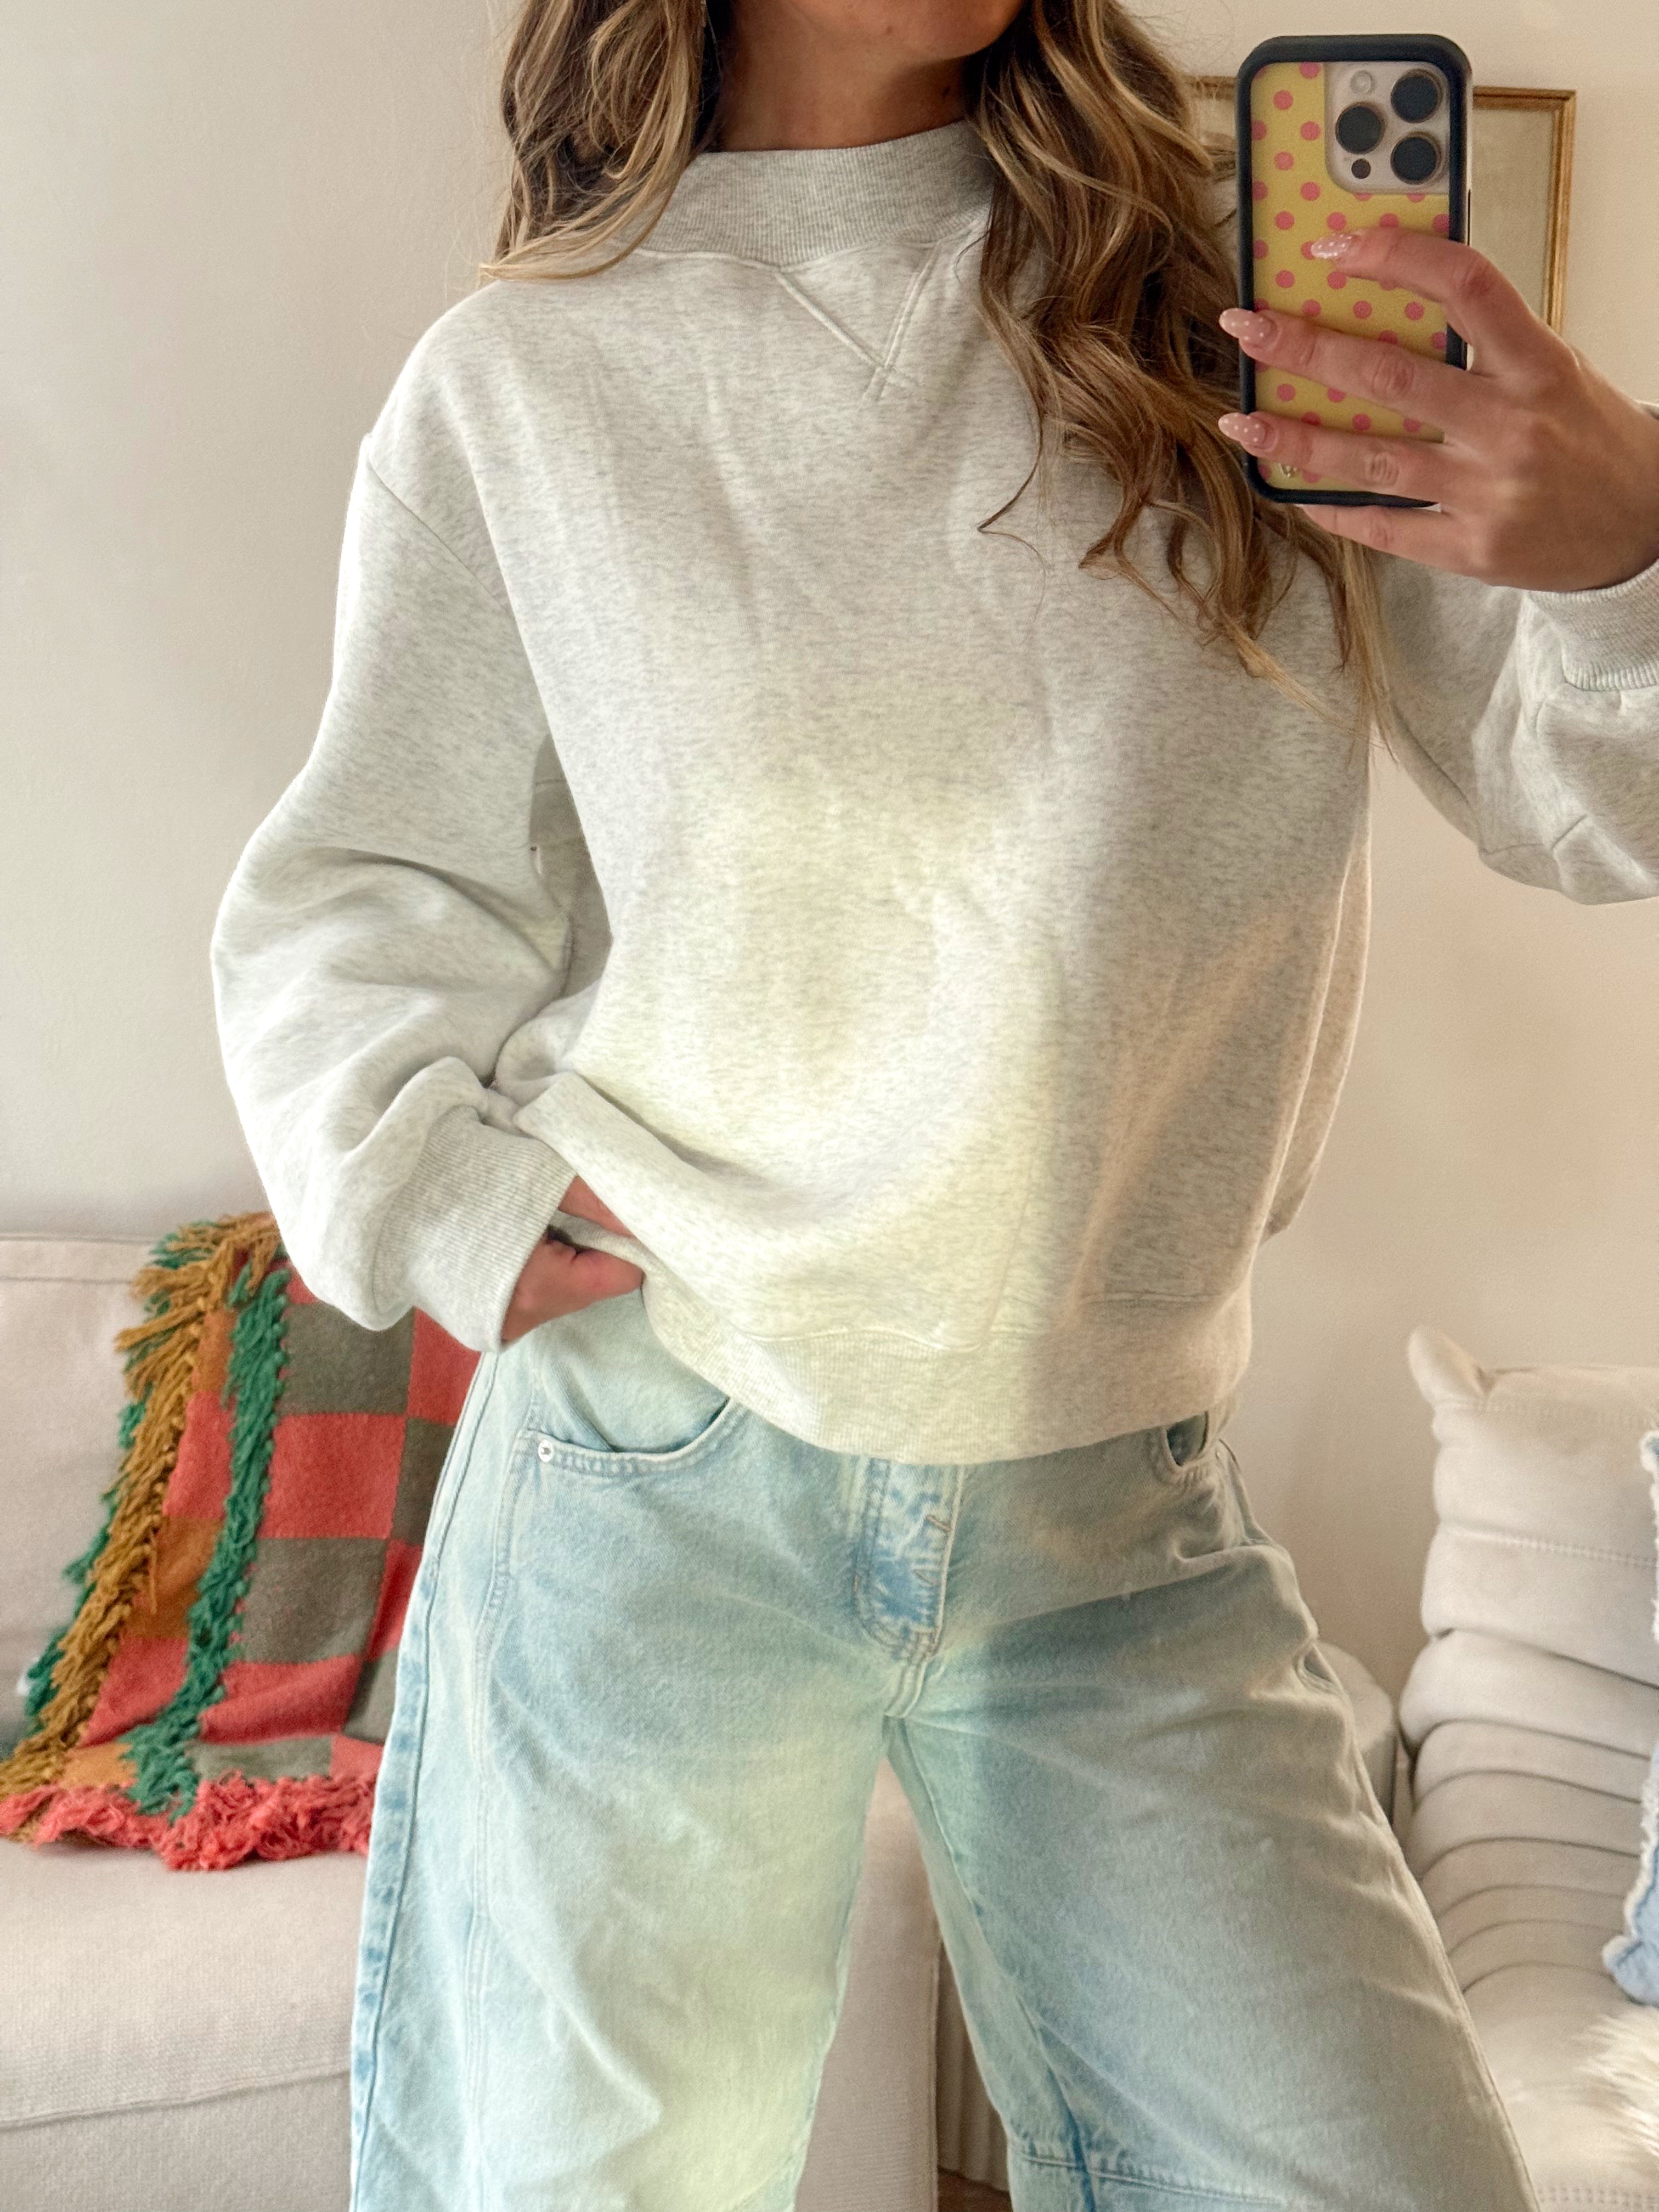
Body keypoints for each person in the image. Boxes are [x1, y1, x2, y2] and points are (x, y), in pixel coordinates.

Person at [209, 2, 1659, 2207]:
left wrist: (1630, 555)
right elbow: (363, 896)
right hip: (666, 1473)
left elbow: (1588, 807)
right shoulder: (528, 382)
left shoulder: (1243, 312)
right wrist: (453, 1206)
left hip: (1117, 1508)